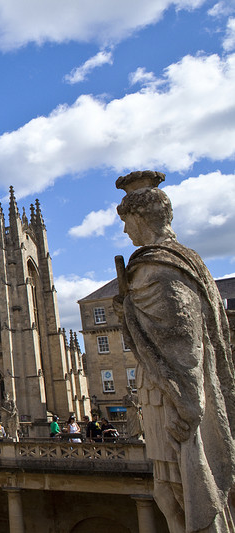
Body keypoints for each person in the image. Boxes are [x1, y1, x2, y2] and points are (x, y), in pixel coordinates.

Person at [114, 170, 235, 533]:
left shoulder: (158, 266)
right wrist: (128, 311)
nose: (125, 232)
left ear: (139, 218)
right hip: (164, 392)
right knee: (168, 491)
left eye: (127, 222)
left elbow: (183, 341)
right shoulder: (189, 261)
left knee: (178, 490)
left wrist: (190, 401)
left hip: (176, 397)